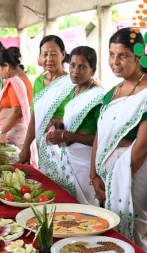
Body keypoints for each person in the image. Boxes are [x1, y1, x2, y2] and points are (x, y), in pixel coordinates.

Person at [90, 28, 147, 250]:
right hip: (105, 175)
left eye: (123, 55)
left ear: (139, 56)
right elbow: (99, 135)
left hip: (132, 174)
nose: (115, 62)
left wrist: (115, 179)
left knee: (132, 234)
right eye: (111, 55)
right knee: (107, 233)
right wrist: (94, 175)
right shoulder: (113, 92)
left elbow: (143, 146)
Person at [35, 46, 106, 205]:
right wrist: (59, 126)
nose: (75, 70)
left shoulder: (98, 97)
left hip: (85, 162)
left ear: (93, 70)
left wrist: (66, 136)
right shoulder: (73, 91)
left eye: (82, 66)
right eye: (73, 65)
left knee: (85, 210)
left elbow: (101, 138)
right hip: (69, 158)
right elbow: (72, 124)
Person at [19, 35, 70, 166]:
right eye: (45, 54)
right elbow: (35, 117)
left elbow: (77, 117)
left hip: (65, 146)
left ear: (63, 54)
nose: (49, 59)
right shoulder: (38, 82)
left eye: (54, 54)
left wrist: (57, 122)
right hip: (43, 145)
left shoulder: (71, 83)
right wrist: (26, 148)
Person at [0, 47, 33, 146]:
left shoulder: (16, 82)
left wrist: (3, 132)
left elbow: (17, 112)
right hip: (12, 134)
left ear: (6, 65)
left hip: (14, 136)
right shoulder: (19, 80)